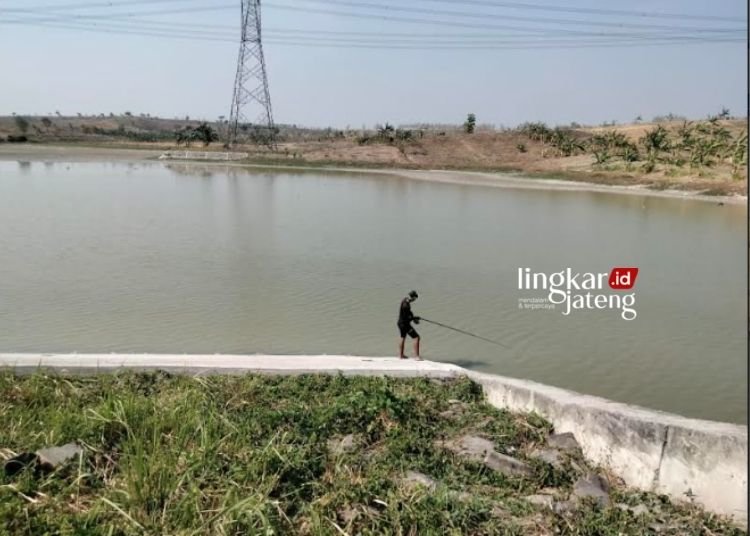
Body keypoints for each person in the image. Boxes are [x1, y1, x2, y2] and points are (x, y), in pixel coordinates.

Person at [397, 290, 421, 360]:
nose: (414, 300)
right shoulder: (406, 305)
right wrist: (414, 318)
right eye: (415, 298)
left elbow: (409, 314)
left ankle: (401, 356)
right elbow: (407, 317)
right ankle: (416, 356)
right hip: (405, 324)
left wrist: (414, 318)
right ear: (413, 297)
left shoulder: (405, 300)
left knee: (403, 337)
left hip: (400, 323)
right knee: (416, 337)